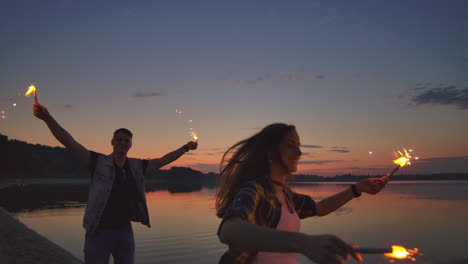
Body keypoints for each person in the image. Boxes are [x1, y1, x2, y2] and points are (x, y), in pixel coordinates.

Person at [33, 103, 198, 264]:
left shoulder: (137, 166)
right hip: (98, 230)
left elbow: (163, 160)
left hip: (124, 231)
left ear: (131, 144)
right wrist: (48, 119)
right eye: (119, 139)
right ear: (112, 142)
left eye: (127, 140)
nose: (123, 142)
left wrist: (185, 148)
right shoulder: (97, 161)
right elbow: (69, 142)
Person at [216, 123, 388, 264]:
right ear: (271, 153)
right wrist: (304, 243)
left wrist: (357, 189)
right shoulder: (255, 190)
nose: (299, 153)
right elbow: (229, 230)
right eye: (290, 146)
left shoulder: (286, 195)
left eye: (298, 146)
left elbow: (319, 207)